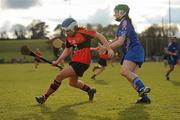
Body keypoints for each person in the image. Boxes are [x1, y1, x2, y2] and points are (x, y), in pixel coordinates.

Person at [35, 18, 114, 104]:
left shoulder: (84, 32)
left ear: (74, 27)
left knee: (59, 76)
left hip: (82, 62)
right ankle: (90, 90)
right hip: (75, 61)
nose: (66, 32)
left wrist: (109, 49)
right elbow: (67, 50)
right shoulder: (69, 38)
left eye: (68, 30)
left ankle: (44, 97)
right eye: (65, 31)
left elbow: (100, 36)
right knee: (73, 83)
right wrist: (57, 61)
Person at [100, 4, 151, 104]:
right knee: (129, 76)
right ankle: (145, 98)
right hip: (133, 51)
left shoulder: (124, 23)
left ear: (122, 12)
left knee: (124, 71)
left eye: (116, 12)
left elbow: (120, 42)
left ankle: (142, 87)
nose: (114, 15)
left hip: (134, 50)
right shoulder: (123, 23)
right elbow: (116, 39)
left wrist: (107, 49)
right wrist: (104, 46)